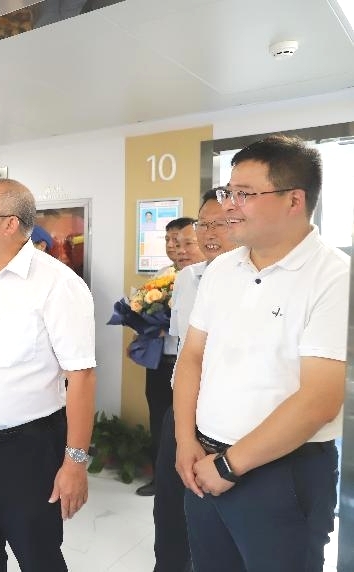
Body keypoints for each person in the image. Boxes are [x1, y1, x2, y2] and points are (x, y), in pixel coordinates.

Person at [174, 135, 349, 570]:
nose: (228, 206)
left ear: (294, 200)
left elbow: (320, 399)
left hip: (282, 473)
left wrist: (229, 466)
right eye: (227, 192)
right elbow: (192, 356)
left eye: (245, 194)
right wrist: (184, 440)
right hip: (204, 459)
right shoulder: (222, 268)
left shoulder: (334, 275)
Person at [0, 178, 97, 572]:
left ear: (10, 224)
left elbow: (81, 376)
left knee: (38, 556)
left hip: (29, 451)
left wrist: (75, 462)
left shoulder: (58, 284)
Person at [152, 189, 236, 571]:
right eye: (203, 223)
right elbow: (184, 346)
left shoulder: (257, 281)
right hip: (183, 412)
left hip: (230, 423)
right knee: (170, 514)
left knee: (219, 527)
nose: (208, 233)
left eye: (220, 223)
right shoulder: (187, 278)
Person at [137, 216, 204, 497]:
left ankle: (190, 477)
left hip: (191, 365)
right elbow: (143, 310)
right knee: (159, 420)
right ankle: (160, 476)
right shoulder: (162, 275)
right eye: (170, 241)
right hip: (160, 362)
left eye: (183, 241)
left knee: (189, 423)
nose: (176, 247)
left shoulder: (208, 277)